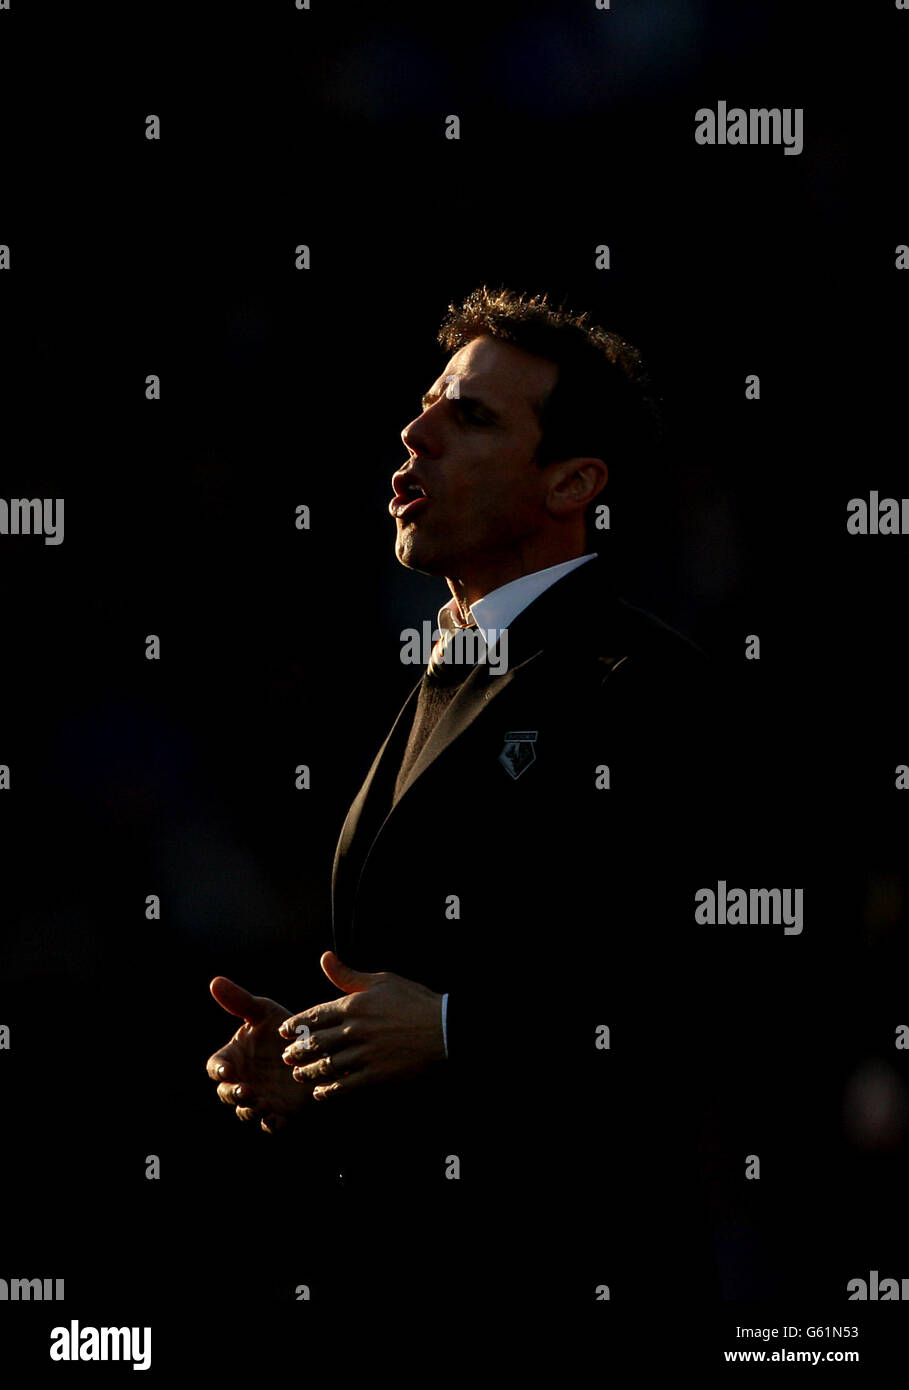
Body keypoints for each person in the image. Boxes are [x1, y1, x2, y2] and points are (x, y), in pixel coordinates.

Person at [205, 287, 731, 1313]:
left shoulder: (648, 685)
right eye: (428, 404)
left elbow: (726, 1007)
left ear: (572, 481)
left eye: (473, 417)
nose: (416, 432)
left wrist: (456, 1028)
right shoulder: (437, 672)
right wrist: (318, 1066)